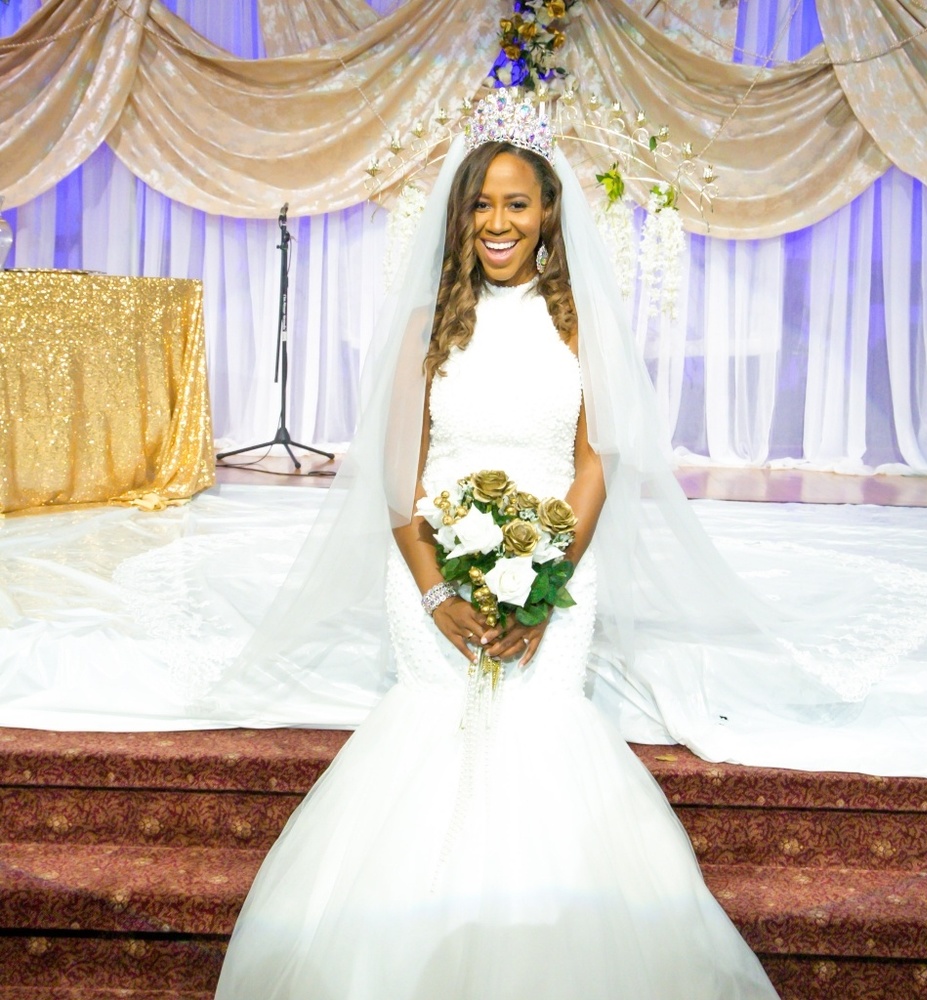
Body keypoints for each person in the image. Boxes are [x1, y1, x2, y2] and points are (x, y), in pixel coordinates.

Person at [213, 93, 780, 1000]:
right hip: (433, 571)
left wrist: (547, 579)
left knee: (541, 734)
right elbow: (399, 483)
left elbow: (594, 464)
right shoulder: (427, 328)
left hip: (560, 567)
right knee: (437, 730)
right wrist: (440, 591)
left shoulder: (580, 324)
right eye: (481, 205)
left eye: (516, 204)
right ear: (459, 216)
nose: (498, 222)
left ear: (548, 212)